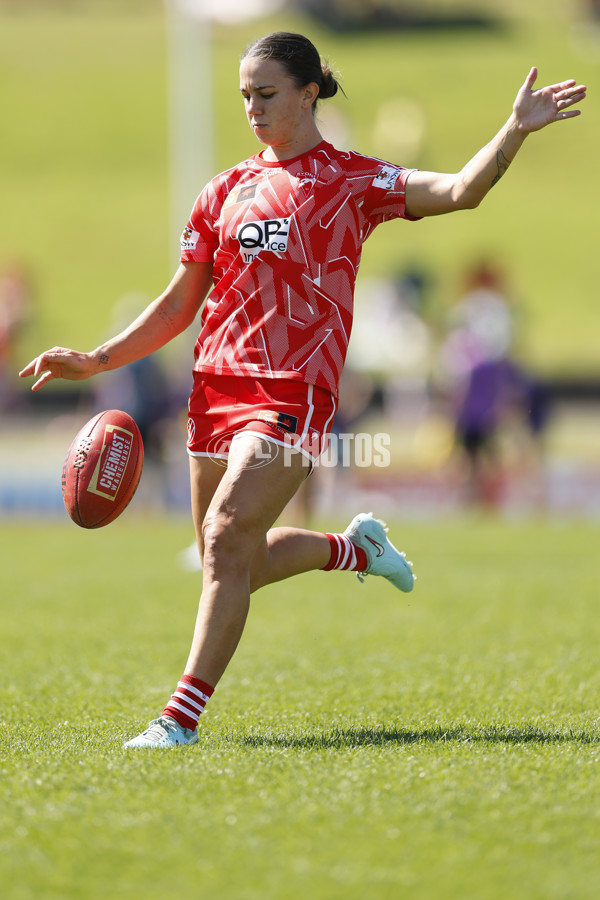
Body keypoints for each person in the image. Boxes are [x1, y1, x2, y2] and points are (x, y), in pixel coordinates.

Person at [19, 33, 586, 748]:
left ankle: (177, 721)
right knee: (237, 563)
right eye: (244, 96)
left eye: (267, 93)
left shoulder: (351, 180)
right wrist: (97, 358)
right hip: (214, 389)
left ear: (310, 90)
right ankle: (353, 550)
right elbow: (176, 304)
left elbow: (459, 191)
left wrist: (514, 129)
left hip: (294, 390)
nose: (252, 108)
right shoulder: (222, 191)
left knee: (225, 540)